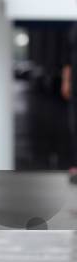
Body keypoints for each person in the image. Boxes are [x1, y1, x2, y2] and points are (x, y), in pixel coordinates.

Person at [61, 21, 77, 182]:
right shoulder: (73, 27)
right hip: (76, 88)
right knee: (74, 127)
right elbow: (66, 59)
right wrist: (66, 81)